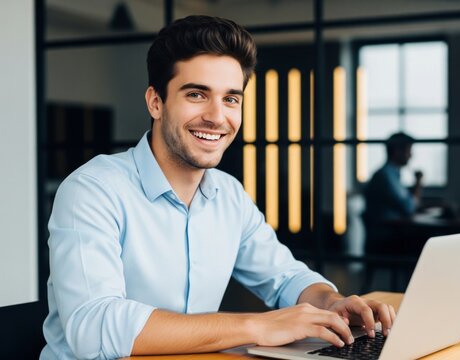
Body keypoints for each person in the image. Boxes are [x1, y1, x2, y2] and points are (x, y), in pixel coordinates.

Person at [41, 15, 395, 360]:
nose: (217, 116)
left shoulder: (228, 194)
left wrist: (330, 303)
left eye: (231, 98)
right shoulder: (92, 190)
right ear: (155, 102)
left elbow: (286, 277)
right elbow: (94, 326)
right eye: (197, 94)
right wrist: (257, 327)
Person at [363, 132, 423, 254]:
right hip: (387, 235)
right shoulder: (386, 176)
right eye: (408, 150)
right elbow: (408, 208)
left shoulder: (392, 175)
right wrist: (418, 183)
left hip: (391, 231)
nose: (411, 155)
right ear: (397, 151)